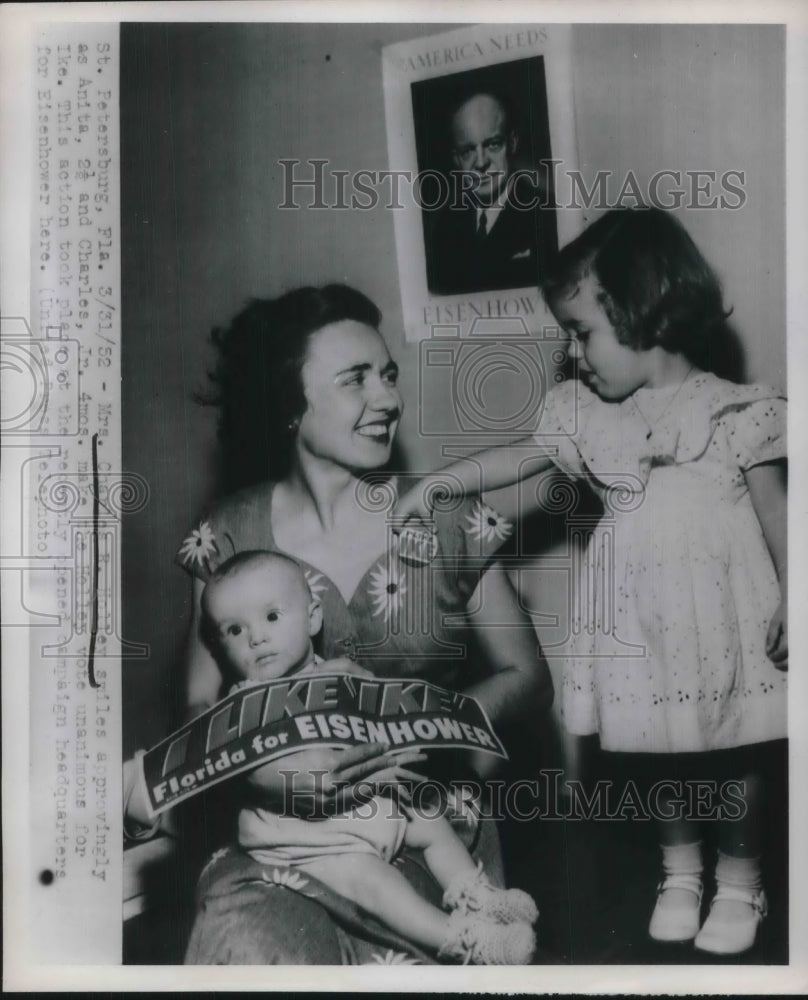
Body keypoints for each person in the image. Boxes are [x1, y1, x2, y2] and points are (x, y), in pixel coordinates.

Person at [395, 208, 787, 956]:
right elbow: (519, 457)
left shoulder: (737, 409)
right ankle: (680, 872)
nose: (574, 354)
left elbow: (779, 514)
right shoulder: (587, 416)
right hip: (641, 619)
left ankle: (742, 880)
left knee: (733, 752)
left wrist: (796, 595)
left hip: (724, 619)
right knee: (659, 748)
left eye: (583, 332)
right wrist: (442, 482)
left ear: (646, 310)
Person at [176, 284, 553, 964]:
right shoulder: (225, 534)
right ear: (289, 405)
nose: (387, 398)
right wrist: (265, 778)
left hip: (426, 816)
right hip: (281, 830)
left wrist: (421, 730)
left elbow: (527, 676)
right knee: (248, 947)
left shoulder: (447, 517)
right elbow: (200, 704)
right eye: (355, 379)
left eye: (388, 374)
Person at [194, 548, 539, 964]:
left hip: (366, 803)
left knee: (429, 820)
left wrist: (392, 722)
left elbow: (380, 719)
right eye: (234, 629)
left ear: (313, 619)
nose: (256, 638)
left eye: (271, 617)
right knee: (373, 882)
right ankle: (465, 940)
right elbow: (238, 760)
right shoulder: (244, 703)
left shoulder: (338, 672)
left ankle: (477, 896)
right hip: (307, 840)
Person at [426, 91, 556, 295]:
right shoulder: (445, 227)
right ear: (456, 159)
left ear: (512, 143)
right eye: (468, 150)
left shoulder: (548, 212)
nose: (480, 163)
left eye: (493, 144)